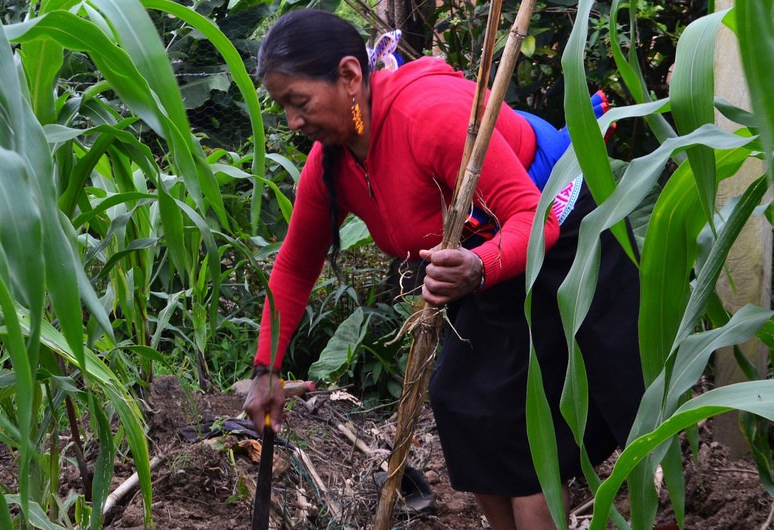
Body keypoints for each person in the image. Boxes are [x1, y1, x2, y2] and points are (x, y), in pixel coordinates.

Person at [242, 9, 644, 529]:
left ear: (348, 76)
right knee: (462, 402)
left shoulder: (428, 117)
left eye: (299, 102)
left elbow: (532, 219)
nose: (294, 122)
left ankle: (655, 498)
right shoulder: (331, 165)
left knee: (535, 421)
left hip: (565, 234)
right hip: (481, 259)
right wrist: (265, 369)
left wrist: (477, 267)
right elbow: (296, 264)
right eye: (284, 108)